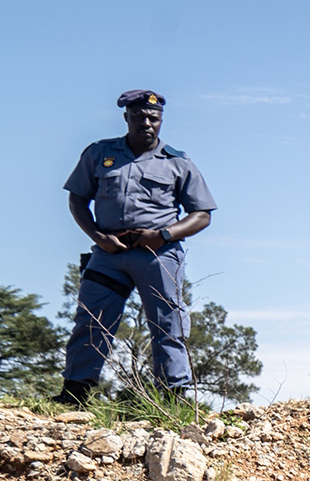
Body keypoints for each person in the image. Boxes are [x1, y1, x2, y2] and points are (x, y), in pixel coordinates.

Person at [57, 90, 216, 404]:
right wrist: (97, 236)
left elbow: (202, 215)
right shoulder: (99, 153)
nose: (147, 123)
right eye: (139, 117)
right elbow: (77, 198)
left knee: (168, 323)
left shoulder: (178, 161)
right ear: (126, 117)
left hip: (158, 256)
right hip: (109, 253)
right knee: (91, 320)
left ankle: (173, 397)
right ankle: (74, 395)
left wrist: (165, 235)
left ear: (160, 121)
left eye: (153, 118)